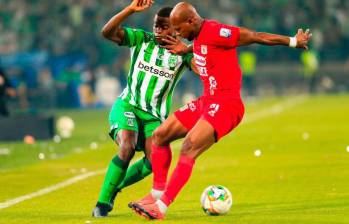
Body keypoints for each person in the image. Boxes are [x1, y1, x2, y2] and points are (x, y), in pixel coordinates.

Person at [129, 1, 312, 220]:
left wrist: (293, 41)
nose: (177, 33)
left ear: (191, 21)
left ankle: (161, 207)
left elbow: (254, 36)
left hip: (227, 104)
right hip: (208, 100)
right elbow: (203, 47)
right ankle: (155, 194)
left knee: (188, 147)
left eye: (179, 29)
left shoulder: (217, 31)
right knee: (159, 136)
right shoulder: (197, 36)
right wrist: (185, 49)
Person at [92, 0, 195, 217]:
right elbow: (107, 32)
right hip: (128, 104)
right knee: (127, 146)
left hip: (154, 116)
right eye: (156, 25)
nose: (158, 30)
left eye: (164, 26)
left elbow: (202, 68)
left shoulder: (182, 53)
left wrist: (191, 50)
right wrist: (130, 9)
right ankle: (102, 203)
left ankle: (115, 186)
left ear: (176, 29)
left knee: (153, 162)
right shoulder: (142, 39)